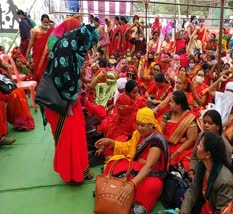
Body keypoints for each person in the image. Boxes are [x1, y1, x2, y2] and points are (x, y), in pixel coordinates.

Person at [44, 24, 99, 183]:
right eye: (91, 42)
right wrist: (73, 96)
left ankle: (79, 169)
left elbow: (73, 73)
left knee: (75, 134)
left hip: (65, 99)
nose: (90, 47)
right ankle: (74, 174)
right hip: (61, 101)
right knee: (70, 136)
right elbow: (62, 76)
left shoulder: (70, 44)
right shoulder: (66, 48)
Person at [95, 107, 168, 213]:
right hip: (137, 167)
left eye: (142, 125)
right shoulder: (138, 134)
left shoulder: (156, 140)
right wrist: (110, 142)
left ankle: (135, 205)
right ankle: (116, 192)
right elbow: (128, 147)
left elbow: (149, 166)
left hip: (151, 174)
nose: (139, 128)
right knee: (112, 163)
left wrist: (132, 184)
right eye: (137, 124)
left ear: (151, 124)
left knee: (150, 187)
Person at [180, 132, 233, 214]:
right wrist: (184, 212)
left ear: (208, 154)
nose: (197, 147)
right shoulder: (203, 165)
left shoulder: (224, 181)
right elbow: (193, 190)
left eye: (200, 145)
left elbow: (222, 211)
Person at [160, 91, 198, 171]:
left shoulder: (189, 118)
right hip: (166, 144)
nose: (169, 103)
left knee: (186, 162)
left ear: (179, 105)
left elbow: (191, 140)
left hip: (182, 147)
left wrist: (177, 152)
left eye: (172, 102)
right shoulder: (168, 114)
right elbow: (160, 132)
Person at [189, 110, 232, 179]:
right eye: (204, 122)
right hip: (199, 172)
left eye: (210, 123)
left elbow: (226, 166)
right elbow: (194, 156)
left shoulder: (224, 145)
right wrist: (192, 170)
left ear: (218, 127)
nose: (206, 125)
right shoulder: (201, 135)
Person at [26, 14, 53, 82]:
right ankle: (38, 84)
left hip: (46, 54)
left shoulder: (50, 31)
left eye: (47, 22)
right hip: (37, 53)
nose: (46, 23)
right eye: (44, 22)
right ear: (41, 21)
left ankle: (44, 85)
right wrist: (28, 51)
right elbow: (31, 41)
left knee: (45, 69)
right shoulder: (35, 30)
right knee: (37, 68)